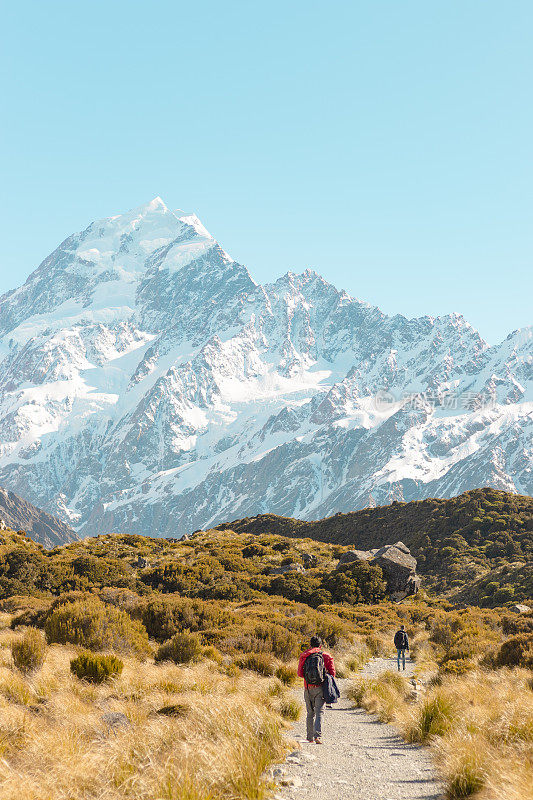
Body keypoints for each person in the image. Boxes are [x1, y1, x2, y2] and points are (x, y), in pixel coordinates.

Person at [297, 635, 336, 744]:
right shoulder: (326, 656)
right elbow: (333, 673)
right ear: (320, 645)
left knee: (310, 713)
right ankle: (317, 737)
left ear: (310, 644)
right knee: (319, 712)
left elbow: (300, 674)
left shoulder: (304, 656)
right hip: (320, 688)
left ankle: (309, 738)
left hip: (307, 688)